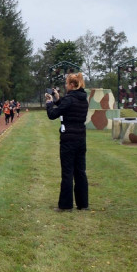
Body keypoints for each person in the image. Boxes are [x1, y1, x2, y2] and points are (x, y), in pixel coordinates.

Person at [45, 72, 89, 211]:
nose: (65, 85)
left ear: (71, 85)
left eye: (66, 83)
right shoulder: (83, 99)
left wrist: (49, 103)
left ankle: (65, 205)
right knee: (80, 172)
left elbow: (53, 114)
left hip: (68, 140)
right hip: (81, 138)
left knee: (67, 172)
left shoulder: (69, 99)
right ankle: (83, 204)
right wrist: (58, 99)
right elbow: (67, 108)